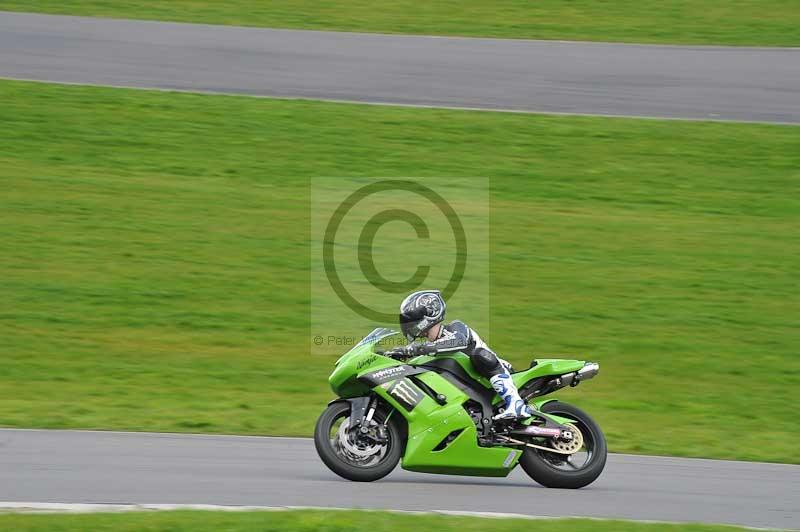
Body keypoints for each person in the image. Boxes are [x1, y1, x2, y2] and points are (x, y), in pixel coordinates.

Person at [389, 289, 534, 420]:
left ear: (429, 314)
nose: (411, 325)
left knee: (480, 355)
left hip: (495, 373)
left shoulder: (456, 328)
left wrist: (415, 349)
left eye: (413, 320)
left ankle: (516, 404)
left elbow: (458, 342)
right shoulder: (429, 350)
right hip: (471, 389)